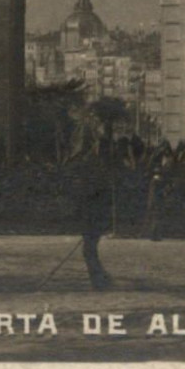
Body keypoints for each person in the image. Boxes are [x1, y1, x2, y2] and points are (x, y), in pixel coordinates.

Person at [75, 122, 117, 290]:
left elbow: (91, 191)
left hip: (92, 214)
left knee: (88, 250)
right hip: (95, 213)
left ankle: (99, 281)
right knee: (89, 249)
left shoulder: (91, 165)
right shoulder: (99, 166)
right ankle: (100, 279)